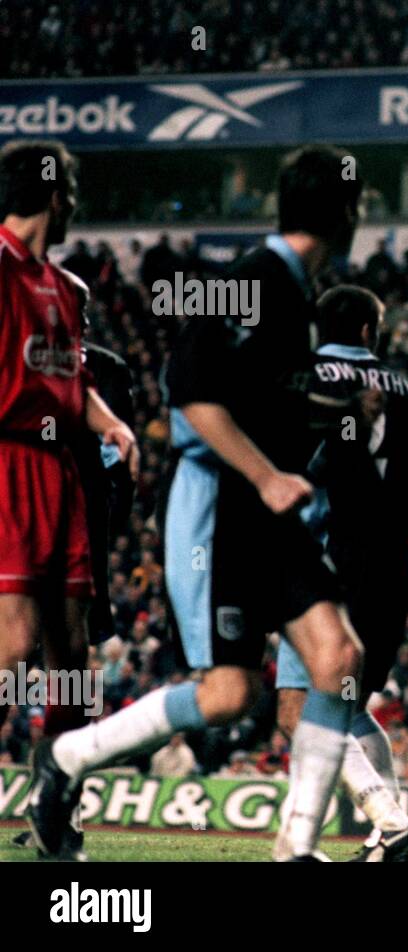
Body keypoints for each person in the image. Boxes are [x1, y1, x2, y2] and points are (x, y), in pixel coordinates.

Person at [28, 145, 364, 862]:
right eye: (359, 203)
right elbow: (190, 393)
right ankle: (68, 758)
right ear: (344, 211)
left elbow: (258, 398)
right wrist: (268, 475)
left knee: (337, 657)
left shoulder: (297, 290)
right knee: (228, 695)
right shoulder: (256, 279)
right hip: (220, 509)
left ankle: (295, 849)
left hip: (271, 514)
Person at [0, 139, 140, 859]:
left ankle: (57, 814)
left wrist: (111, 422)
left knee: (72, 661)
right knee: (15, 646)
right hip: (7, 461)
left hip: (63, 474)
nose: (77, 203)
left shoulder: (69, 289)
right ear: (57, 195)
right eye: (73, 190)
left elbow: (74, 381)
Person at [276, 284, 408, 862]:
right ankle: (384, 833)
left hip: (321, 562)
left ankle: (390, 825)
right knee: (348, 706)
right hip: (388, 567)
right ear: (371, 331)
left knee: (300, 709)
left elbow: (289, 463)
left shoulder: (303, 379)